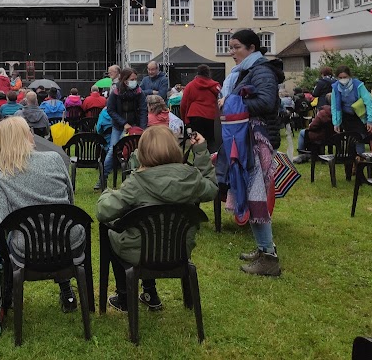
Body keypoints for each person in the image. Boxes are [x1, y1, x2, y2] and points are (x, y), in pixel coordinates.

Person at [0, 117, 82, 313]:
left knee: (8, 237)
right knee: (52, 228)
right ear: (25, 135)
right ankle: (66, 289)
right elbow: (70, 201)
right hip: (69, 238)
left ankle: (10, 292)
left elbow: (1, 218)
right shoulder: (54, 158)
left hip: (28, 246)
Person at [97, 126, 217, 312]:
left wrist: (107, 193)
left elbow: (104, 212)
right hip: (180, 250)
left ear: (143, 151)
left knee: (114, 233)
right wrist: (200, 152)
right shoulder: (192, 178)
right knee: (146, 233)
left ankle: (125, 297)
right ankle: (149, 293)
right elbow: (212, 188)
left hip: (141, 252)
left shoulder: (136, 182)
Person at [219, 29, 285, 277]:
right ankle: (264, 248)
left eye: (236, 47)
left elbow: (266, 102)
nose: (231, 52)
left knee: (256, 197)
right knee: (250, 195)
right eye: (230, 46)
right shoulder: (250, 71)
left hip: (258, 141)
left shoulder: (262, 72)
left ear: (252, 47)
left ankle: (268, 258)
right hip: (249, 139)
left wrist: (233, 103)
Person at [99, 68, 148, 190]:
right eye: (132, 79)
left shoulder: (139, 93)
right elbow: (110, 110)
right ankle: (102, 178)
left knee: (138, 151)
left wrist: (142, 128)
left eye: (136, 79)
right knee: (112, 150)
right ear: (125, 80)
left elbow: (143, 110)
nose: (134, 81)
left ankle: (139, 179)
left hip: (135, 126)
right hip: (119, 126)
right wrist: (123, 123)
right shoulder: (115, 93)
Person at [331, 65, 372, 157]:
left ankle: (360, 159)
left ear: (349, 76)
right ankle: (351, 162)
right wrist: (336, 123)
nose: (343, 79)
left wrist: (370, 120)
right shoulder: (335, 88)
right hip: (346, 117)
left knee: (360, 138)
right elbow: (335, 106)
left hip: (359, 116)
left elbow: (369, 102)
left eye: (345, 77)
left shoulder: (358, 85)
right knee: (350, 140)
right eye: (340, 77)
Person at [179, 64, 221, 151]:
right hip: (212, 117)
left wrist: (185, 120)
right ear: (209, 74)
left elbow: (183, 104)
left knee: (197, 142)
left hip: (195, 117)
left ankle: (198, 161)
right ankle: (213, 160)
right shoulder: (216, 86)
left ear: (197, 73)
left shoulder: (190, 86)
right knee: (212, 141)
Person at [295, 95, 332, 162]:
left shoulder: (322, 113)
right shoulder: (338, 112)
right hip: (333, 136)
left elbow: (313, 126)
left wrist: (310, 124)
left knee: (302, 132)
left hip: (320, 135)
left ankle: (301, 154)